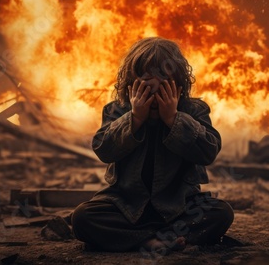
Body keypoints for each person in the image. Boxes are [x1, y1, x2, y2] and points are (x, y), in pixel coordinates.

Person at [71, 37, 234, 254]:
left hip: (179, 207)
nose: (155, 95)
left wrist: (174, 119)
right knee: (82, 218)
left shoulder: (194, 110)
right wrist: (135, 119)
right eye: (147, 85)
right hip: (127, 207)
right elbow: (104, 149)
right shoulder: (117, 110)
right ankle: (150, 241)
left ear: (178, 85)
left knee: (221, 213)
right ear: (131, 85)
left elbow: (209, 151)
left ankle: (149, 239)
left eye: (163, 85)